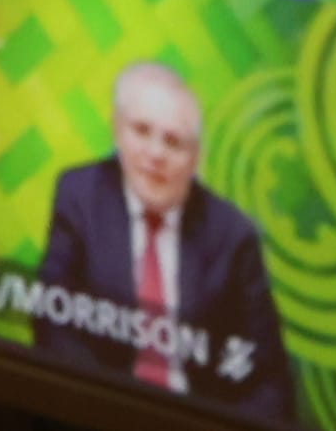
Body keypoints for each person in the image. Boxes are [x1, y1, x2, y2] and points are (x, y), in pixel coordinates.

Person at [30, 64, 297, 421]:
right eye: (141, 131)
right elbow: (50, 320)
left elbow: (270, 379)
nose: (156, 154)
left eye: (174, 142)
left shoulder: (233, 235)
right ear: (118, 131)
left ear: (195, 158)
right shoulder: (80, 194)